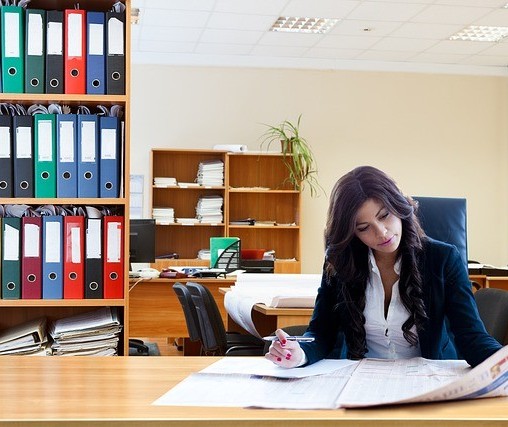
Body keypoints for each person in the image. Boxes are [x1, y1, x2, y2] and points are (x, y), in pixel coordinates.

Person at [265, 165, 502, 369]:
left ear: (399, 207)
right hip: (359, 383)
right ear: (351, 233)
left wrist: (501, 361)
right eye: (364, 227)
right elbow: (321, 333)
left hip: (428, 382)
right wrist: (298, 354)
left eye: (385, 215)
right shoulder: (340, 262)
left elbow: (472, 338)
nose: (381, 232)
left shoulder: (443, 259)